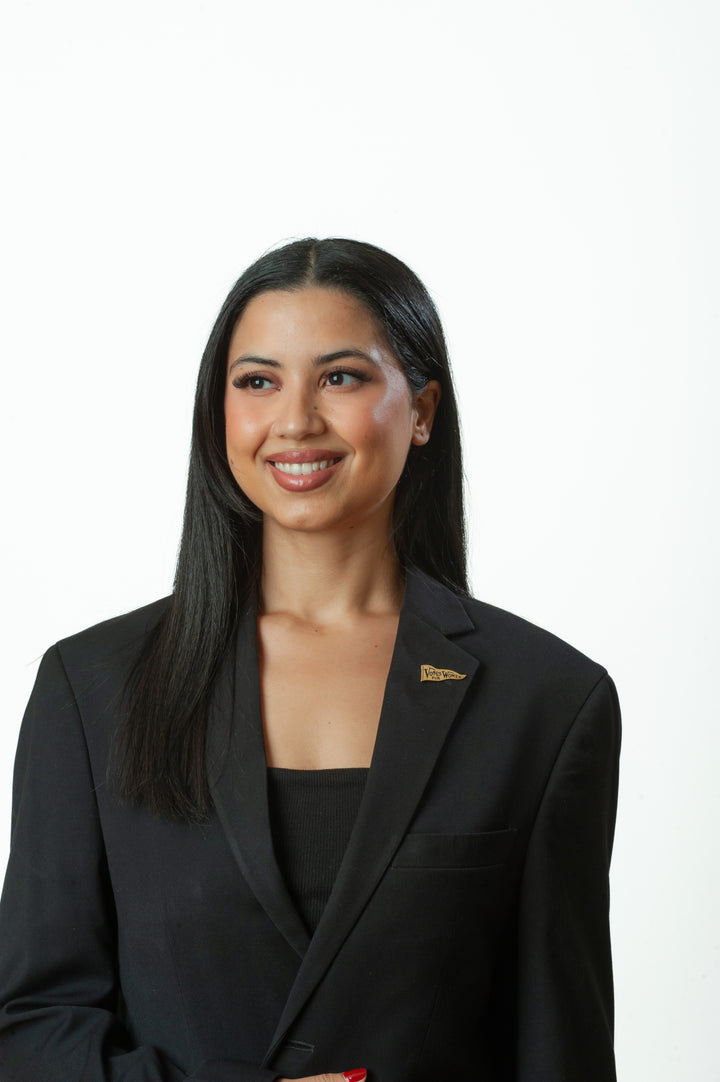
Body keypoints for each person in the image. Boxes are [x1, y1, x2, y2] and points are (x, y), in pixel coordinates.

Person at [0, 238, 621, 1082]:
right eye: (257, 381)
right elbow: (32, 1033)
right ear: (219, 412)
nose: (295, 420)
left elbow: (560, 1050)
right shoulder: (93, 688)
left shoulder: (546, 700)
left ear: (424, 409)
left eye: (341, 377)